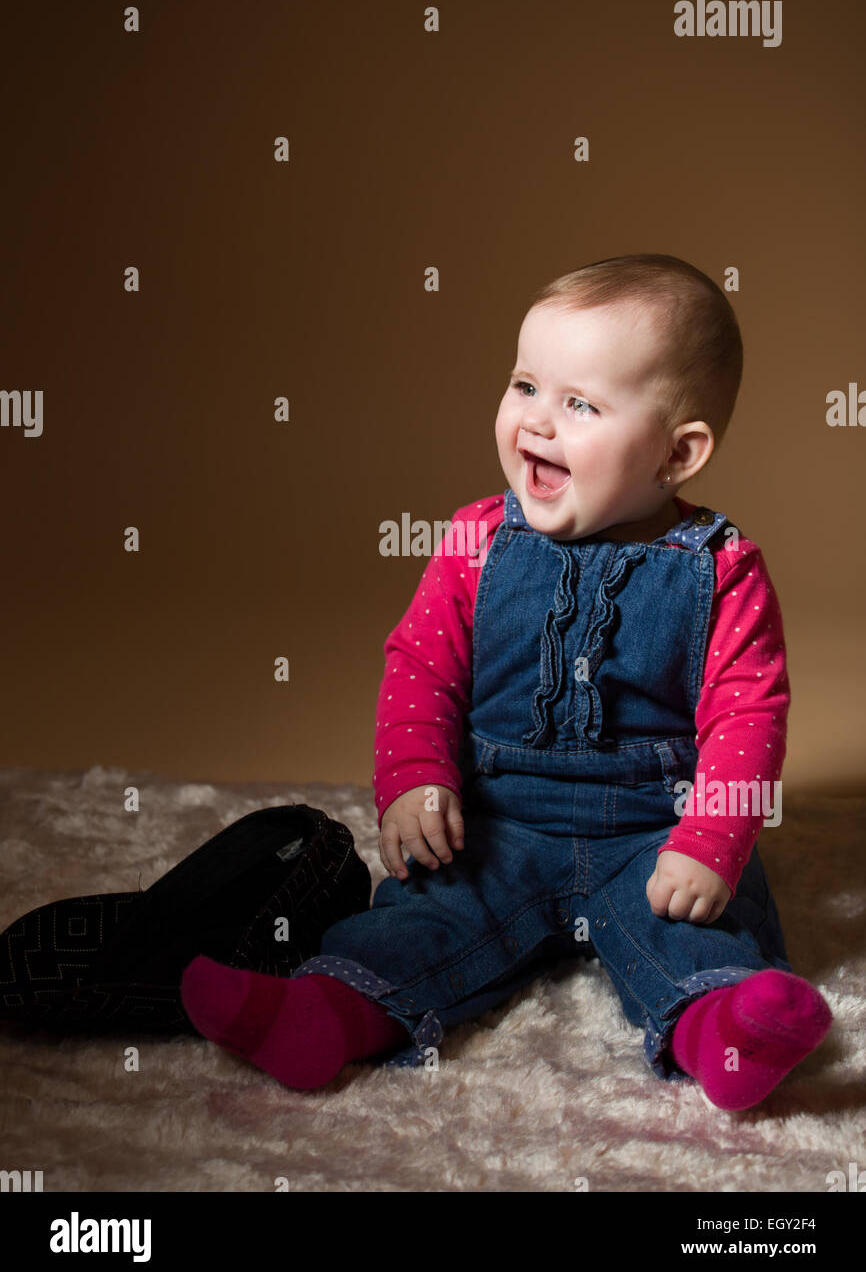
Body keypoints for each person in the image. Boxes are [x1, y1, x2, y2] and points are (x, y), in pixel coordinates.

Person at [181, 253, 832, 1110]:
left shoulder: (723, 569)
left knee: (700, 933)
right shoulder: (472, 541)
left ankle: (728, 1035)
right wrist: (414, 781)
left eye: (580, 404)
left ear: (679, 452)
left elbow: (749, 715)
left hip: (654, 832)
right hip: (499, 824)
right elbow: (422, 669)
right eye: (525, 385)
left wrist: (710, 840)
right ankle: (323, 1015)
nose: (537, 422)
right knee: (421, 919)